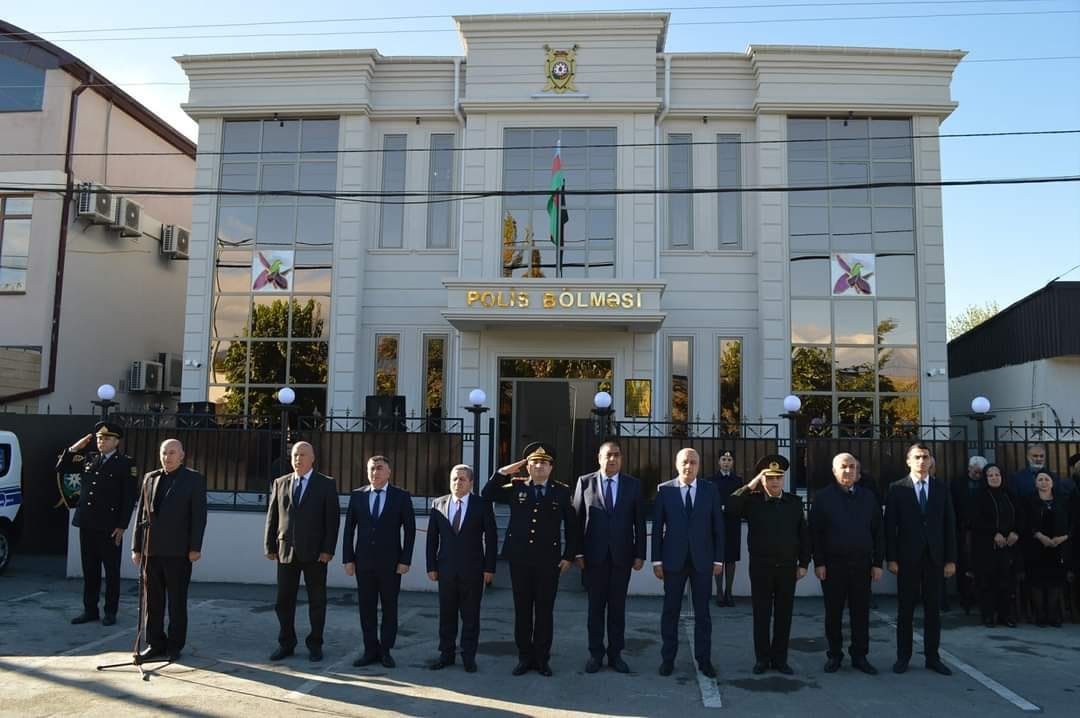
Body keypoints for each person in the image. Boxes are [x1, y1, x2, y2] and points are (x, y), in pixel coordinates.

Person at [483, 442, 577, 677]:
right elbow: (487, 494)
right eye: (534, 462)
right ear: (527, 466)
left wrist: (569, 556)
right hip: (520, 559)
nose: (538, 466)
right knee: (522, 610)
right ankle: (524, 657)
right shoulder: (515, 487)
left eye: (543, 463)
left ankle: (542, 659)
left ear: (551, 467)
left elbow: (573, 527)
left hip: (549, 561)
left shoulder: (562, 491)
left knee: (545, 611)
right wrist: (505, 471)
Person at [727, 454, 809, 675]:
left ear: (783, 480)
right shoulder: (752, 502)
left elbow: (803, 535)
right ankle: (762, 659)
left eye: (778, 478)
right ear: (763, 480)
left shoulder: (793, 503)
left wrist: (804, 564)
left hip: (787, 567)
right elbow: (731, 506)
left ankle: (780, 660)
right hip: (761, 567)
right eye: (769, 477)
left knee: (784, 614)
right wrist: (752, 483)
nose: (774, 482)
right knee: (761, 614)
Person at [571, 440, 646, 674]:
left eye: (616, 455)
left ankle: (616, 655)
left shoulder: (633, 485)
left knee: (617, 610)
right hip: (593, 558)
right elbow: (576, 520)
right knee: (595, 610)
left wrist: (640, 553)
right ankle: (595, 654)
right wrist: (578, 552)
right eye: (608, 455)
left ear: (621, 459)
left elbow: (640, 523)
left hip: (622, 557)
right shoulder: (585, 482)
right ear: (599, 458)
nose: (612, 459)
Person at [131, 439, 208, 663]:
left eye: (173, 453)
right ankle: (155, 643)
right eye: (164, 452)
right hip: (151, 551)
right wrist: (137, 547)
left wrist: (195, 547)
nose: (168, 457)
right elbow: (141, 516)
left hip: (179, 551)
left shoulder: (193, 479)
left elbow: (199, 517)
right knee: (152, 602)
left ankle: (175, 645)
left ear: (182, 455)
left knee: (176, 602)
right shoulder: (150, 477)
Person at [884, 442, 957, 676]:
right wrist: (891, 559)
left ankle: (932, 657)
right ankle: (903, 656)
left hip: (935, 559)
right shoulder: (897, 489)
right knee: (905, 610)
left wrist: (950, 559)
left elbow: (949, 525)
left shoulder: (941, 488)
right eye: (917, 457)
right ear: (908, 461)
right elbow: (889, 528)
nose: (922, 461)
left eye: (925, 457)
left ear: (931, 460)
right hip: (907, 559)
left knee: (933, 610)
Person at [55, 421, 138, 626]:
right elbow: (61, 467)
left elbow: (128, 497)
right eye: (99, 438)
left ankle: (110, 611)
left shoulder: (126, 463)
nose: (102, 442)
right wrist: (75, 448)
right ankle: (90, 610)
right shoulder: (89, 458)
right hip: (87, 522)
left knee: (111, 571)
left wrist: (122, 526)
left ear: (116, 441)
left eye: (107, 438)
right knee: (90, 570)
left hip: (110, 526)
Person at [809, 452, 885, 675]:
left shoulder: (868, 497)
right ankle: (834, 655)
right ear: (834, 471)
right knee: (833, 613)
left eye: (853, 467)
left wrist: (877, 562)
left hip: (862, 565)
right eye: (844, 466)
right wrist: (819, 562)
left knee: (861, 613)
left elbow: (878, 531)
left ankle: (860, 655)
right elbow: (815, 533)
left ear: (858, 472)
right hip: (832, 566)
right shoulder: (822, 498)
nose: (849, 470)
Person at [652, 447, 725, 679]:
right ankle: (667, 659)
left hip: (703, 561)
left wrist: (718, 558)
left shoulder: (710, 490)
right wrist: (656, 560)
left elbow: (718, 527)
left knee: (703, 613)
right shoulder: (665, 491)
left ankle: (704, 660)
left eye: (693, 462)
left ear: (699, 465)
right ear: (676, 464)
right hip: (673, 561)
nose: (689, 466)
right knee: (670, 611)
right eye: (684, 461)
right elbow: (656, 529)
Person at [264, 441, 340, 662]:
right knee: (283, 601)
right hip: (286, 551)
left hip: (315, 553)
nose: (298, 459)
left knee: (317, 601)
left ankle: (315, 644)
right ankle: (286, 643)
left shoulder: (326, 484)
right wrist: (269, 546)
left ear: (313, 458)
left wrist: (328, 550)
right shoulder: (281, 482)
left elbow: (332, 521)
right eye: (295, 455)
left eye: (303, 455)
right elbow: (273, 516)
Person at [343, 455, 416, 669]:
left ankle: (385, 651)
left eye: (380, 468)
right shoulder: (358, 496)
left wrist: (405, 560)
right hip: (363, 563)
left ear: (389, 472)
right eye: (372, 468)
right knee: (366, 608)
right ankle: (369, 650)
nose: (375, 472)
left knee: (389, 608)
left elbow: (410, 531)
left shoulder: (401, 496)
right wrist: (348, 559)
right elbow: (349, 530)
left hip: (391, 563)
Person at [426, 464, 497, 673]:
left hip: (473, 570)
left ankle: (468, 656)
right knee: (446, 614)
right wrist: (431, 566)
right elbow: (432, 539)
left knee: (470, 615)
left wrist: (489, 568)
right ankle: (446, 654)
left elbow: (491, 539)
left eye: (462, 479)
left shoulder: (481, 505)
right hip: (445, 570)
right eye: (454, 479)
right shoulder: (438, 504)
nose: (457, 483)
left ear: (471, 483)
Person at [970, 463, 1020, 628]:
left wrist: (1015, 532)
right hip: (986, 546)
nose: (994, 478)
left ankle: (1005, 615)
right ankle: (988, 615)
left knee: (1006, 582)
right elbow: (975, 520)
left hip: (1008, 546)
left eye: (997, 474)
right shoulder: (979, 496)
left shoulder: (1010, 494)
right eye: (990, 475)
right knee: (987, 582)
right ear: (985, 478)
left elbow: (1021, 516)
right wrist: (994, 533)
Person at [1021, 471, 1071, 627]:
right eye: (1040, 479)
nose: (1043, 482)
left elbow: (1074, 521)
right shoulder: (1028, 500)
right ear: (1035, 483)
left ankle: (1052, 615)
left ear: (1052, 482)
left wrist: (1064, 537)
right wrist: (1039, 536)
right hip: (1036, 546)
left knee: (1055, 581)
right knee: (1037, 581)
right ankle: (1040, 615)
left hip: (1058, 547)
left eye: (1046, 479)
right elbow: (1025, 522)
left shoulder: (1064, 499)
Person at [705, 449, 743, 607]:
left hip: (733, 522)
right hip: (717, 523)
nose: (726, 462)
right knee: (718, 557)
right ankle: (719, 592)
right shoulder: (711, 480)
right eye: (723, 459)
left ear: (733, 462)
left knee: (731, 559)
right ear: (719, 462)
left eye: (729, 459)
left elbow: (741, 500)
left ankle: (729, 592)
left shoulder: (738, 481)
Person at [952, 456, 988, 615]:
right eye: (976, 471)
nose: (978, 475)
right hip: (964, 529)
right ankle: (965, 598)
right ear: (969, 468)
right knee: (964, 565)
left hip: (983, 530)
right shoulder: (958, 483)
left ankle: (980, 598)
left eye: (981, 472)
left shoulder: (986, 484)